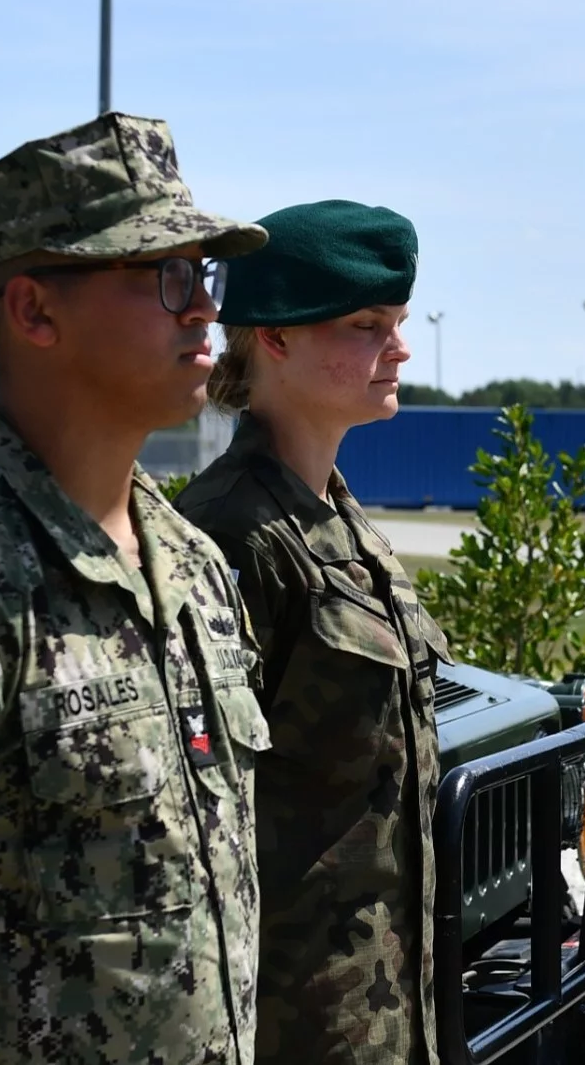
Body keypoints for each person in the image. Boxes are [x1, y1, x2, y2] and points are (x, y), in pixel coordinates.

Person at [0, 113, 271, 1063]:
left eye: (205, 277)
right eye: (166, 276)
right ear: (36, 313)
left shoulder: (193, 561)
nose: (204, 308)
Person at [175, 200, 453, 1065]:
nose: (399, 347)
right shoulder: (232, 537)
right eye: (368, 325)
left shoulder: (337, 518)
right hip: (294, 1021)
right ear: (276, 338)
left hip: (390, 1007)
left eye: (399, 323)